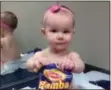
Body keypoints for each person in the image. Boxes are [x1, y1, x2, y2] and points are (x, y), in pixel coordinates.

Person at [26, 4, 85, 89]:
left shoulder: (71, 55)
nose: (60, 36)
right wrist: (35, 63)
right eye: (54, 31)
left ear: (72, 33)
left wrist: (73, 65)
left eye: (66, 31)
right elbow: (28, 65)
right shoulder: (42, 54)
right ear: (44, 33)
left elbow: (81, 67)